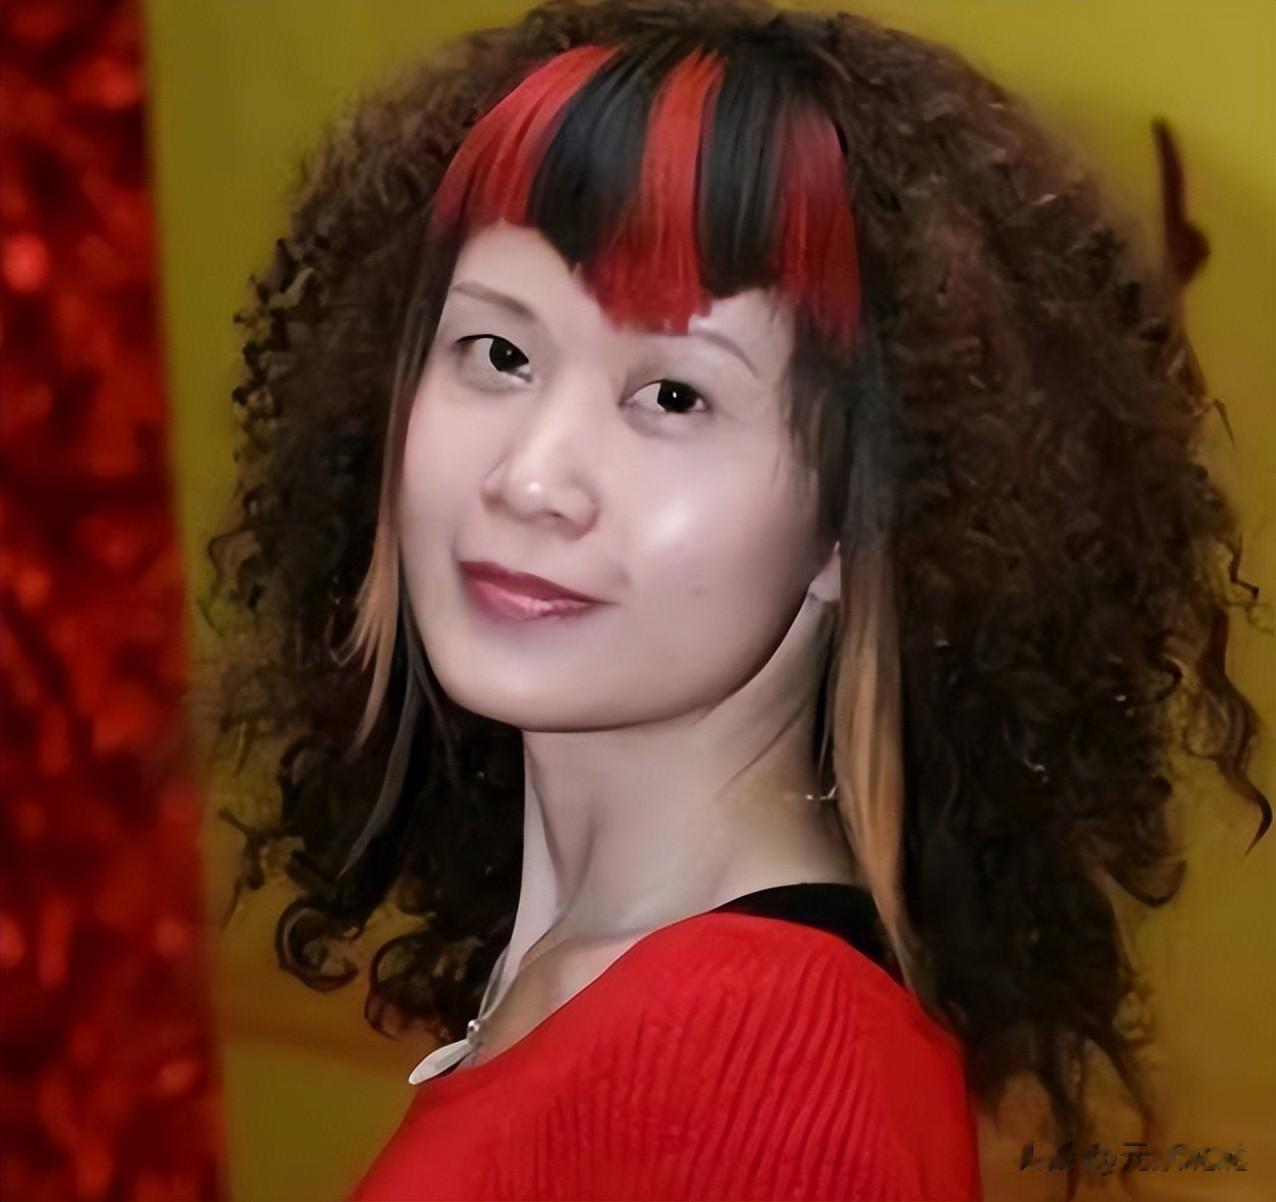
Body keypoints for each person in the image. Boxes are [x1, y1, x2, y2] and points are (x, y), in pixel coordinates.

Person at [203, 1, 1269, 1199]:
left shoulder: (759, 1058)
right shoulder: (605, 982)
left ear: (855, 521)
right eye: (499, 354)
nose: (531, 478)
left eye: (673, 395)